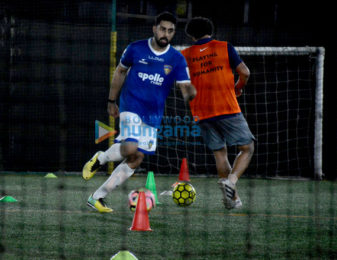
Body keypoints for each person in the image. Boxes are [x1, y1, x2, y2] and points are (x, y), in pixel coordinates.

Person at [82, 11, 196, 213]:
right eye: (162, 29)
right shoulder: (135, 48)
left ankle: (96, 197)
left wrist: (191, 94)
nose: (166, 34)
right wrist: (111, 100)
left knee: (136, 159)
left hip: (153, 116)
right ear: (154, 28)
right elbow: (120, 72)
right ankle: (100, 158)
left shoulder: (177, 59)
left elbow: (185, 86)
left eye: (170, 31)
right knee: (130, 148)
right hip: (131, 106)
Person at [181, 17, 254, 210]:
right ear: (210, 31)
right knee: (247, 148)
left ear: (191, 35)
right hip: (227, 107)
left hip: (201, 112)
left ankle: (232, 200)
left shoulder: (185, 54)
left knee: (220, 154)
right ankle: (231, 181)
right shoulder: (224, 46)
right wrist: (238, 87)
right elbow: (245, 72)